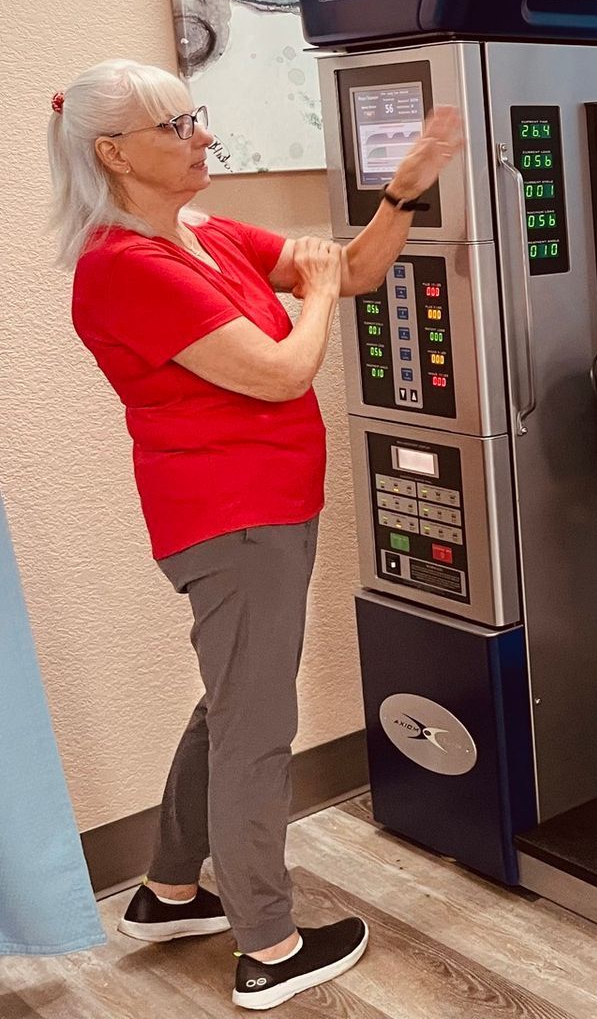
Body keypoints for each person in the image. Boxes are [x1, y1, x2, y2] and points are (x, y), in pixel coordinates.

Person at [51, 59, 462, 1010]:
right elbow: (281, 371)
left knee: (232, 702)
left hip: (270, 507)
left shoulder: (201, 234)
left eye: (197, 119)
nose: (202, 138)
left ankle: (167, 891)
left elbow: (354, 268)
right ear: (114, 154)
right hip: (230, 520)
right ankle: (270, 945)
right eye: (177, 127)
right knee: (257, 727)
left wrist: (404, 186)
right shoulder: (124, 270)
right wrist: (313, 296)